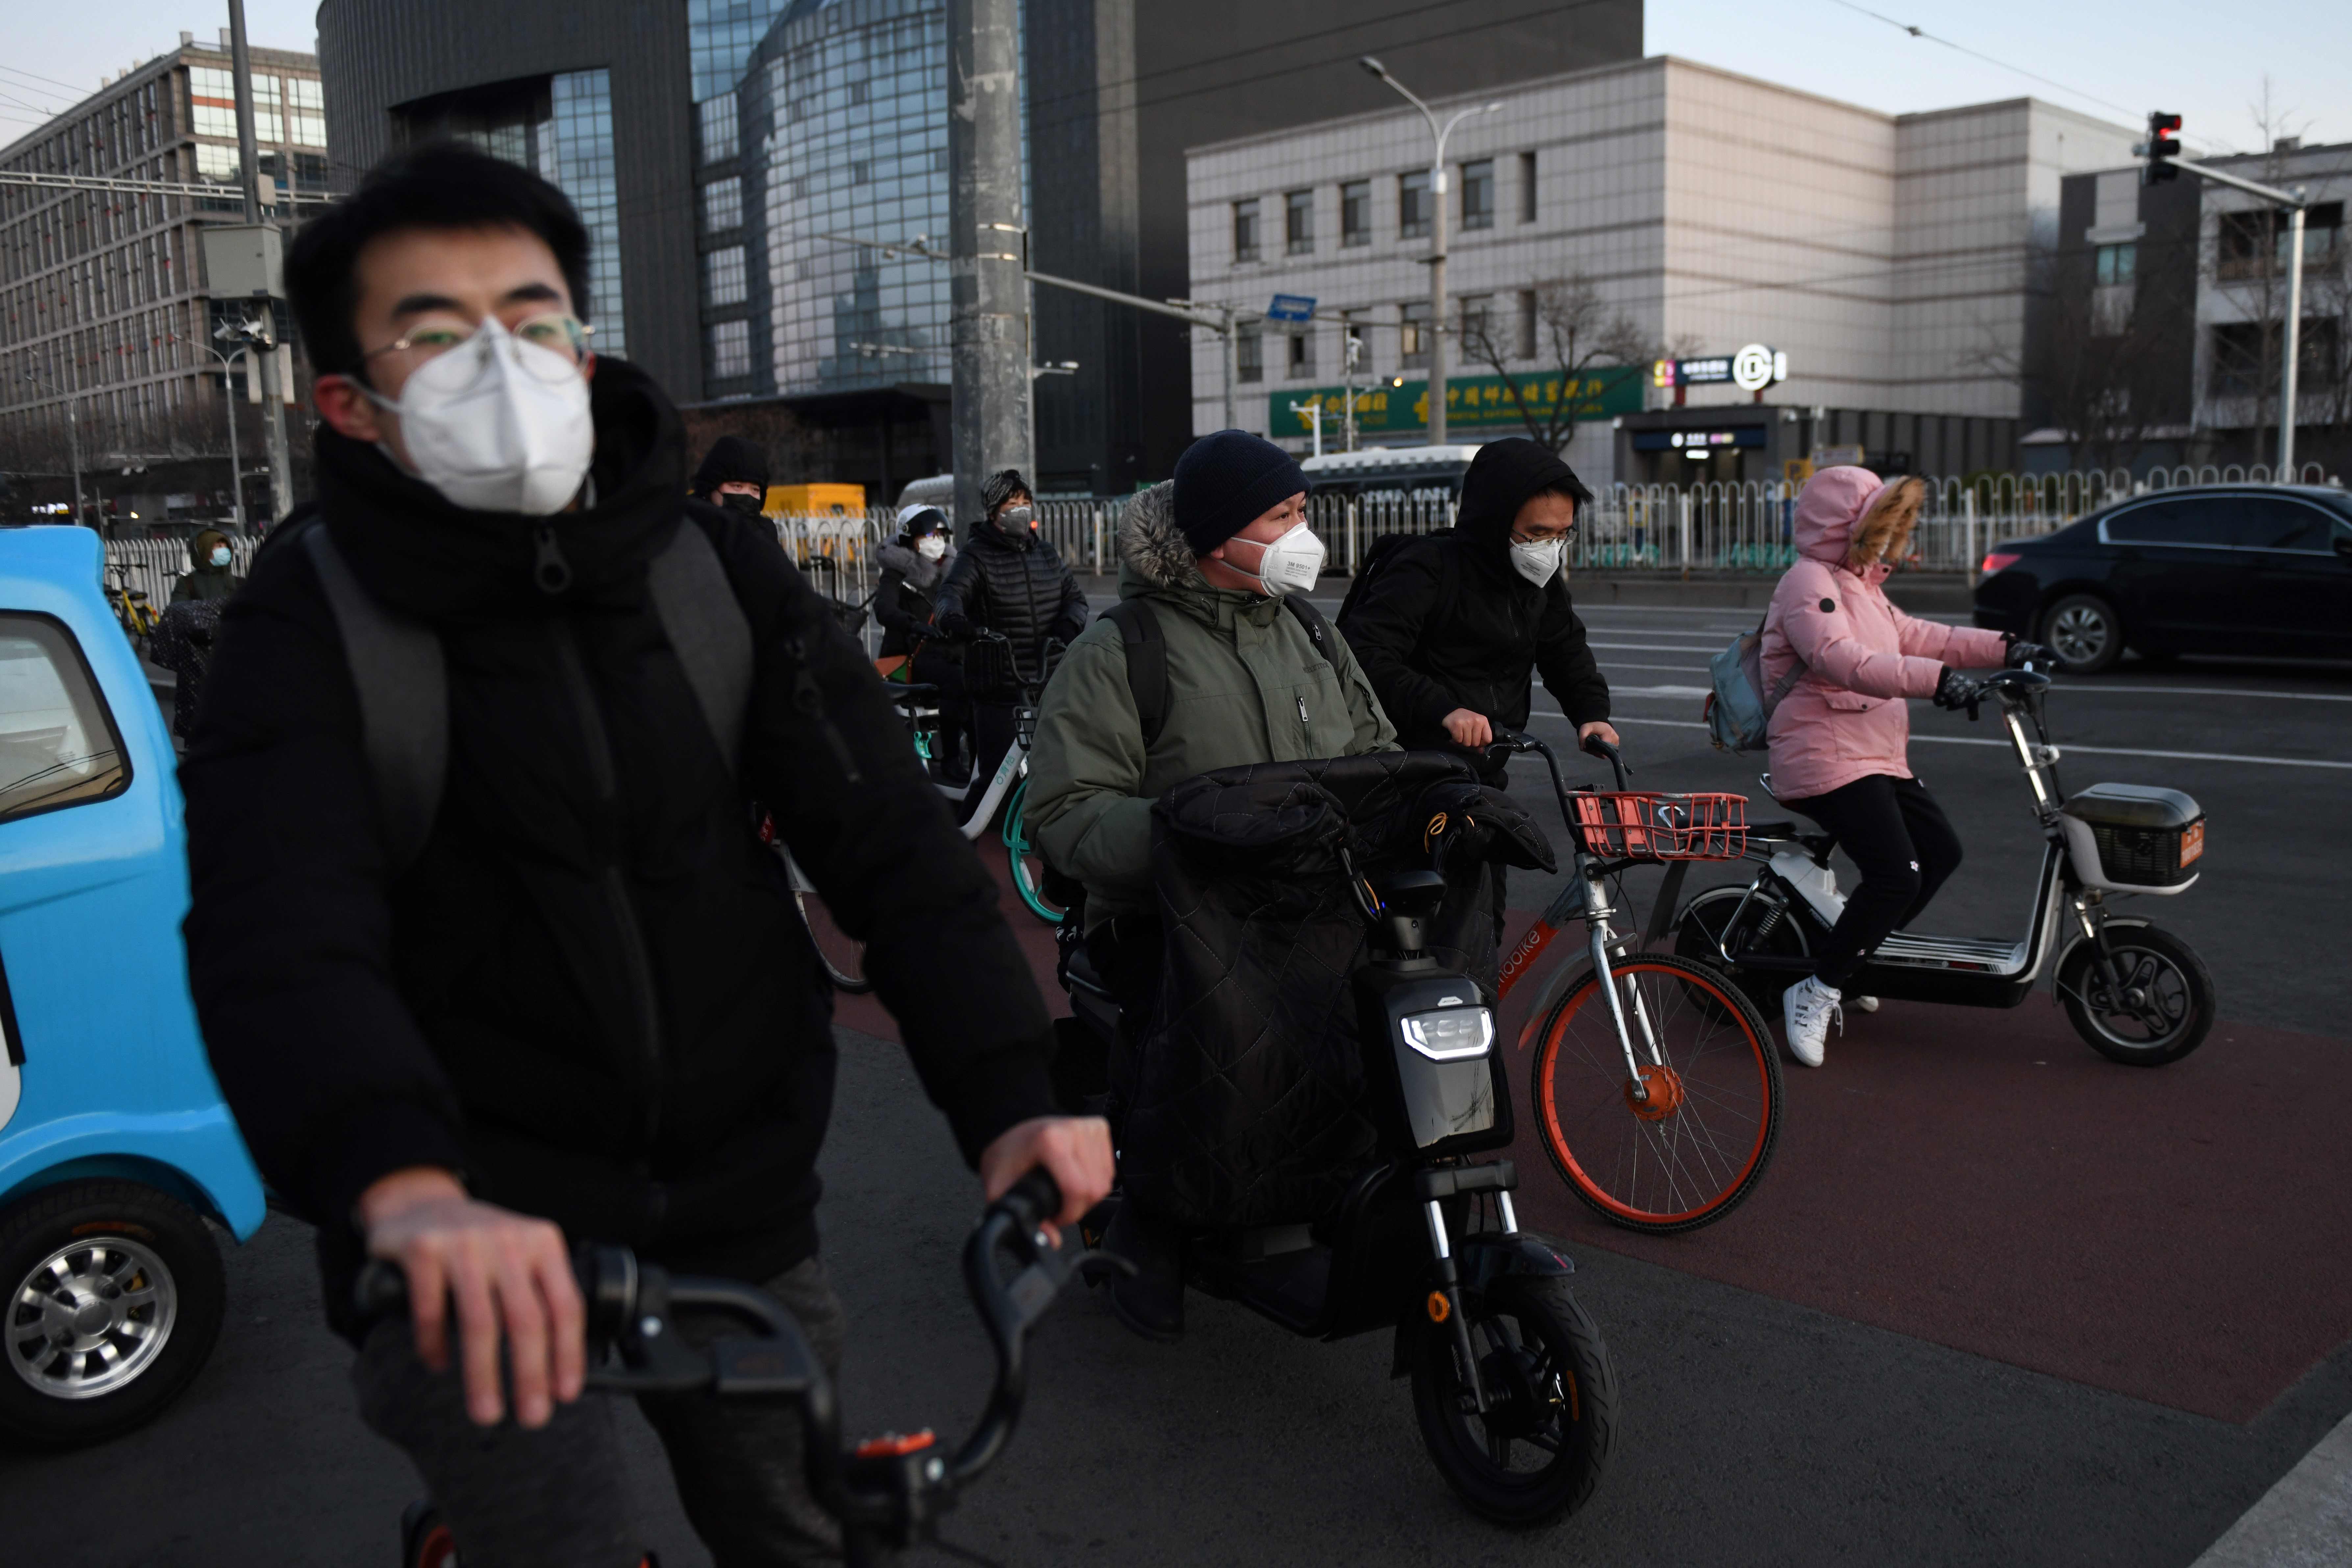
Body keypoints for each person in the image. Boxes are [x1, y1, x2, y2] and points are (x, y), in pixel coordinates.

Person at [179, 142, 1112, 1568]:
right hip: (467, 1233)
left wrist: (1011, 1097)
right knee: (554, 1536)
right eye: (435, 333)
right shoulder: (308, 623)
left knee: (801, 1526)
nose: (502, 363)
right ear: (349, 404)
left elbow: (891, 844)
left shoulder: (712, 574)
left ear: (585, 346)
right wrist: (400, 1185)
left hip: (739, 1198)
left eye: (532, 318)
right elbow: (280, 932)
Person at [1026, 428, 1396, 1340]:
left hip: (1306, 908)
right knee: (1217, 1027)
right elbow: (1065, 811)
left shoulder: (1312, 632)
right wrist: (1188, 838)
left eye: (1302, 512)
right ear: (1216, 535)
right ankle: (1152, 1217)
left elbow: (1378, 758)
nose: (1301, 534)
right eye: (1280, 517)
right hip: (1164, 915)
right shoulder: (1124, 648)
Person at [1760, 466, 2049, 1068]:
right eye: (1882, 526)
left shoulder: (1862, 586)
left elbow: (1920, 635)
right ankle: (1817, 988)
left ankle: (1852, 954)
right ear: (1847, 524)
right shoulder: (1807, 581)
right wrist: (1937, 681)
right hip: (1823, 753)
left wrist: (2007, 647)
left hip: (1872, 753)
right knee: (1898, 874)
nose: (1892, 540)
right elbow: (1840, 658)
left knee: (1940, 852)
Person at [1336, 436, 1617, 937]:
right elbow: (1364, 653)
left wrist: (1591, 713)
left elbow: (1564, 649)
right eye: (1536, 533)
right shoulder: (1427, 567)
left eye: (1562, 535)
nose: (1548, 549)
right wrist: (1444, 710)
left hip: (1483, 780)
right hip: (1405, 779)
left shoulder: (1538, 583)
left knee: (1484, 926)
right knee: (1412, 937)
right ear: (1494, 519)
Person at [929, 468, 1088, 801]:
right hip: (999, 687)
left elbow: (1075, 599)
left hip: (1048, 681)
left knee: (1054, 772)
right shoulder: (976, 556)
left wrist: (1068, 627)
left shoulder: (1046, 553)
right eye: (1012, 504)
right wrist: (956, 621)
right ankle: (966, 831)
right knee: (996, 781)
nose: (1021, 510)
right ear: (993, 512)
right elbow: (949, 595)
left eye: (1025, 502)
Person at [689, 434, 770, 520]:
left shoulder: (763, 528)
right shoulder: (685, 524)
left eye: (755, 490)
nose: (748, 495)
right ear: (711, 487)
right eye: (737, 486)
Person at [172, 527, 243, 603]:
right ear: (204, 551)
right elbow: (178, 608)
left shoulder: (240, 583)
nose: (224, 550)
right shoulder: (187, 584)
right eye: (218, 546)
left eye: (226, 546)